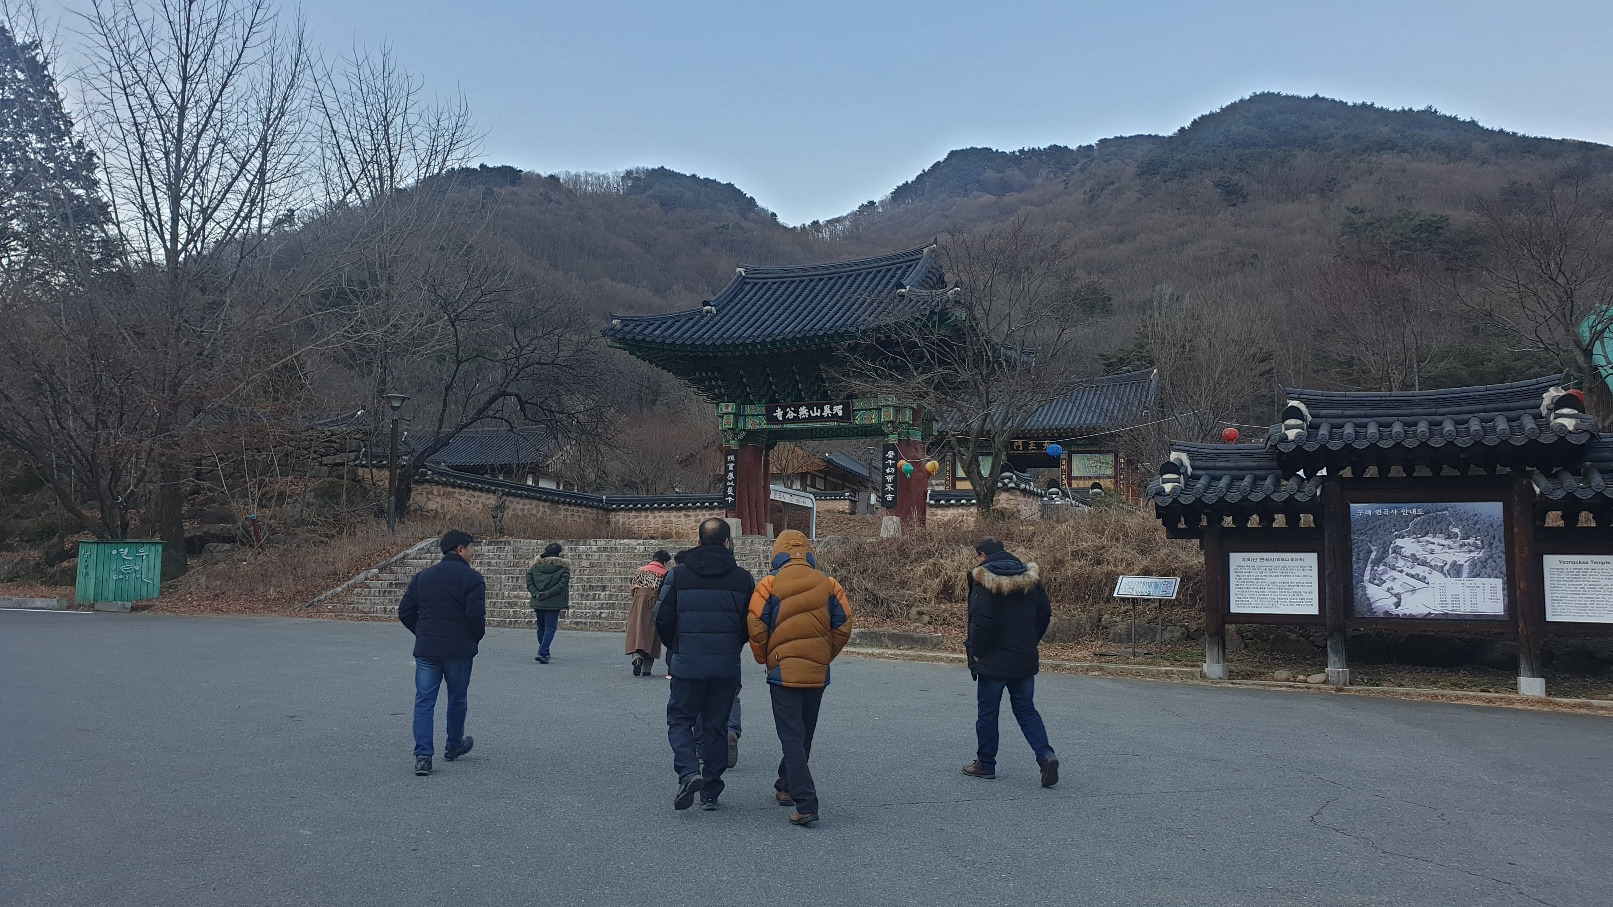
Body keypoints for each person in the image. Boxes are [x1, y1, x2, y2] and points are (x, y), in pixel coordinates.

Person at [747, 529, 852, 827]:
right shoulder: (829, 583)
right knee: (804, 732)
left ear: (777, 553)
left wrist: (765, 657)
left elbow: (756, 623)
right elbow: (843, 625)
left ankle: (805, 802)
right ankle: (786, 786)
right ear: (808, 553)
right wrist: (824, 654)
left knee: (791, 735)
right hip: (817, 672)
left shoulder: (769, 584)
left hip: (782, 671)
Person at [654, 517, 754, 811]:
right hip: (725, 665)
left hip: (687, 662)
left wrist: (678, 645)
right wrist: (733, 644)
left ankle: (688, 771)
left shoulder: (678, 575)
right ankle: (711, 790)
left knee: (680, 720)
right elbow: (750, 623)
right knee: (716, 726)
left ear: (697, 541)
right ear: (727, 543)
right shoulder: (742, 579)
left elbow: (662, 617)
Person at [962, 537, 1059, 788]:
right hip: (1023, 656)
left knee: (988, 712)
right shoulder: (1030, 578)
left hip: (992, 658)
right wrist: (1030, 640)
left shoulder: (983, 579)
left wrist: (977, 652)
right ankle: (1045, 755)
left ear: (983, 555)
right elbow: (1044, 613)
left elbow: (981, 621)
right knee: (1026, 710)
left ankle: (985, 764)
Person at [398, 529, 486, 777]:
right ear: (460, 549)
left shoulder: (423, 577)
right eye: (470, 547)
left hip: (427, 648)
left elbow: (405, 611)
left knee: (424, 700)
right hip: (458, 648)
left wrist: (422, 632)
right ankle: (453, 745)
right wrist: (474, 637)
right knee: (457, 697)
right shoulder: (472, 578)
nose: (472, 552)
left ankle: (423, 756)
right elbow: (475, 615)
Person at [626, 550, 670, 676]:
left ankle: (637, 657)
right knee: (652, 634)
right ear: (664, 562)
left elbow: (632, 588)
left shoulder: (640, 570)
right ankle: (647, 668)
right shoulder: (665, 573)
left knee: (637, 631)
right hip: (656, 603)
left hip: (638, 602)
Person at [526, 542, 569, 663]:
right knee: (550, 628)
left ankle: (544, 649)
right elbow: (561, 585)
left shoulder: (535, 567)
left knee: (541, 627)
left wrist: (536, 593)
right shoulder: (563, 569)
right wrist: (548, 594)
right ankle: (543, 652)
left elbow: (529, 582)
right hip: (553, 603)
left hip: (538, 601)